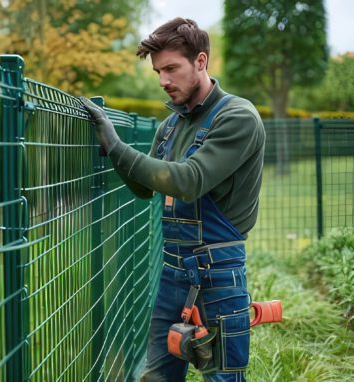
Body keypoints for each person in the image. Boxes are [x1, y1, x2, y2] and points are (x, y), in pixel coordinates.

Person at [80, 17, 265, 382]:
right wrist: (112, 153)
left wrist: (118, 145)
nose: (163, 81)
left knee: (222, 378)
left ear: (200, 61)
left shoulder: (237, 116)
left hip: (218, 275)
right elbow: (144, 187)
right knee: (156, 375)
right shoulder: (171, 127)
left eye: (171, 68)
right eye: (158, 72)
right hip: (172, 272)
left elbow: (188, 181)